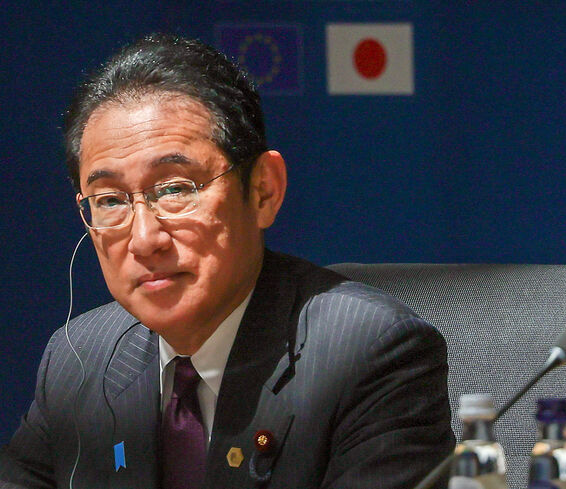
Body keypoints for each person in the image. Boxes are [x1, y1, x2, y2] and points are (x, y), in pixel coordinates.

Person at [0, 33, 454, 489]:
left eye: (176, 189)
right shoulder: (77, 361)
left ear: (263, 191)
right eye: (110, 200)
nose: (143, 239)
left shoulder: (366, 355)